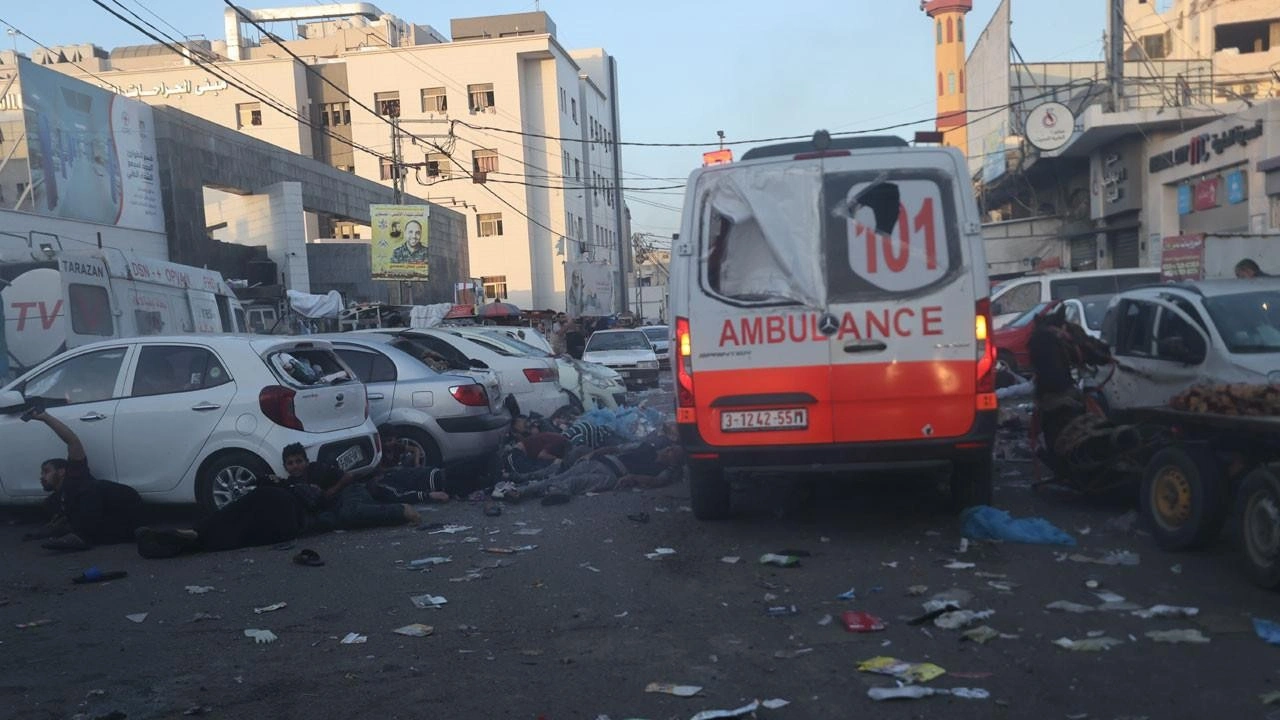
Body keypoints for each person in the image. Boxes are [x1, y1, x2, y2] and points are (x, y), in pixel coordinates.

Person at [24, 409, 144, 551]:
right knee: (54, 506)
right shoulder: (55, 501)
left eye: (46, 471)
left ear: (62, 471)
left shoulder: (75, 475)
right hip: (112, 528)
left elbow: (72, 441)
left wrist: (45, 418)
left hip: (127, 510)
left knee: (91, 489)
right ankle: (70, 533)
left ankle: (81, 537)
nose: (42, 477)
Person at [495, 442, 685, 503]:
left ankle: (557, 493)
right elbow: (615, 448)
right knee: (562, 477)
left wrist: (633, 477)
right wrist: (591, 454)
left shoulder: (664, 470)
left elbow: (657, 482)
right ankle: (521, 493)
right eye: (671, 451)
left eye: (675, 456)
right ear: (667, 449)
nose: (670, 455)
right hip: (600, 461)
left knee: (576, 482)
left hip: (612, 475)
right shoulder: (646, 447)